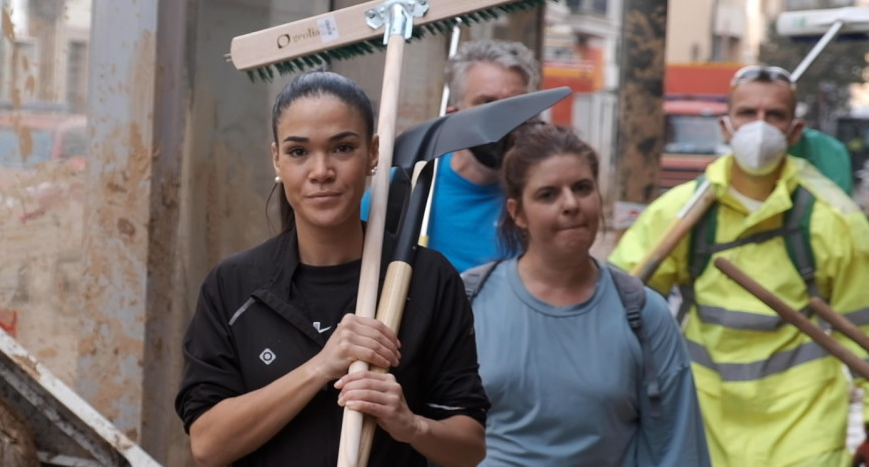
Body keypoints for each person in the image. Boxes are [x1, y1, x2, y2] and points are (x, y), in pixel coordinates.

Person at [175, 71, 488, 467]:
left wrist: (409, 424)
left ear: (374, 154)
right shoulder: (234, 285)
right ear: (276, 159)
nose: (320, 171)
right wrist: (322, 366)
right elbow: (207, 445)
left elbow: (469, 448)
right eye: (298, 152)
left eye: (342, 148)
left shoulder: (424, 278)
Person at [609, 64, 869, 466]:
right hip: (704, 418)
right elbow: (617, 308)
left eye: (774, 115)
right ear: (727, 127)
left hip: (803, 427)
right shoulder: (680, 215)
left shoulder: (831, 220)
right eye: (747, 114)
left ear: (795, 131)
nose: (759, 127)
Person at [465, 124, 709, 466]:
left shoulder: (643, 313)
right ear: (517, 213)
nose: (570, 204)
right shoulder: (468, 301)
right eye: (548, 194)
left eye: (582, 188)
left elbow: (678, 448)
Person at [361, 39, 540, 272]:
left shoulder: (545, 192)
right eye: (487, 104)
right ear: (454, 116)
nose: (504, 119)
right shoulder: (401, 190)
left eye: (516, 106)